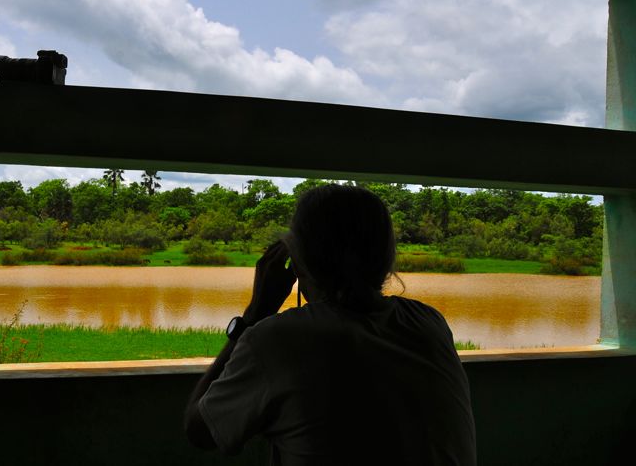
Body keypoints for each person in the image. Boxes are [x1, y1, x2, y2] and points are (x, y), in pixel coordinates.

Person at [184, 184, 476, 465]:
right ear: (387, 258)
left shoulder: (277, 340)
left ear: (299, 262)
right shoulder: (429, 323)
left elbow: (200, 430)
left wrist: (254, 315)